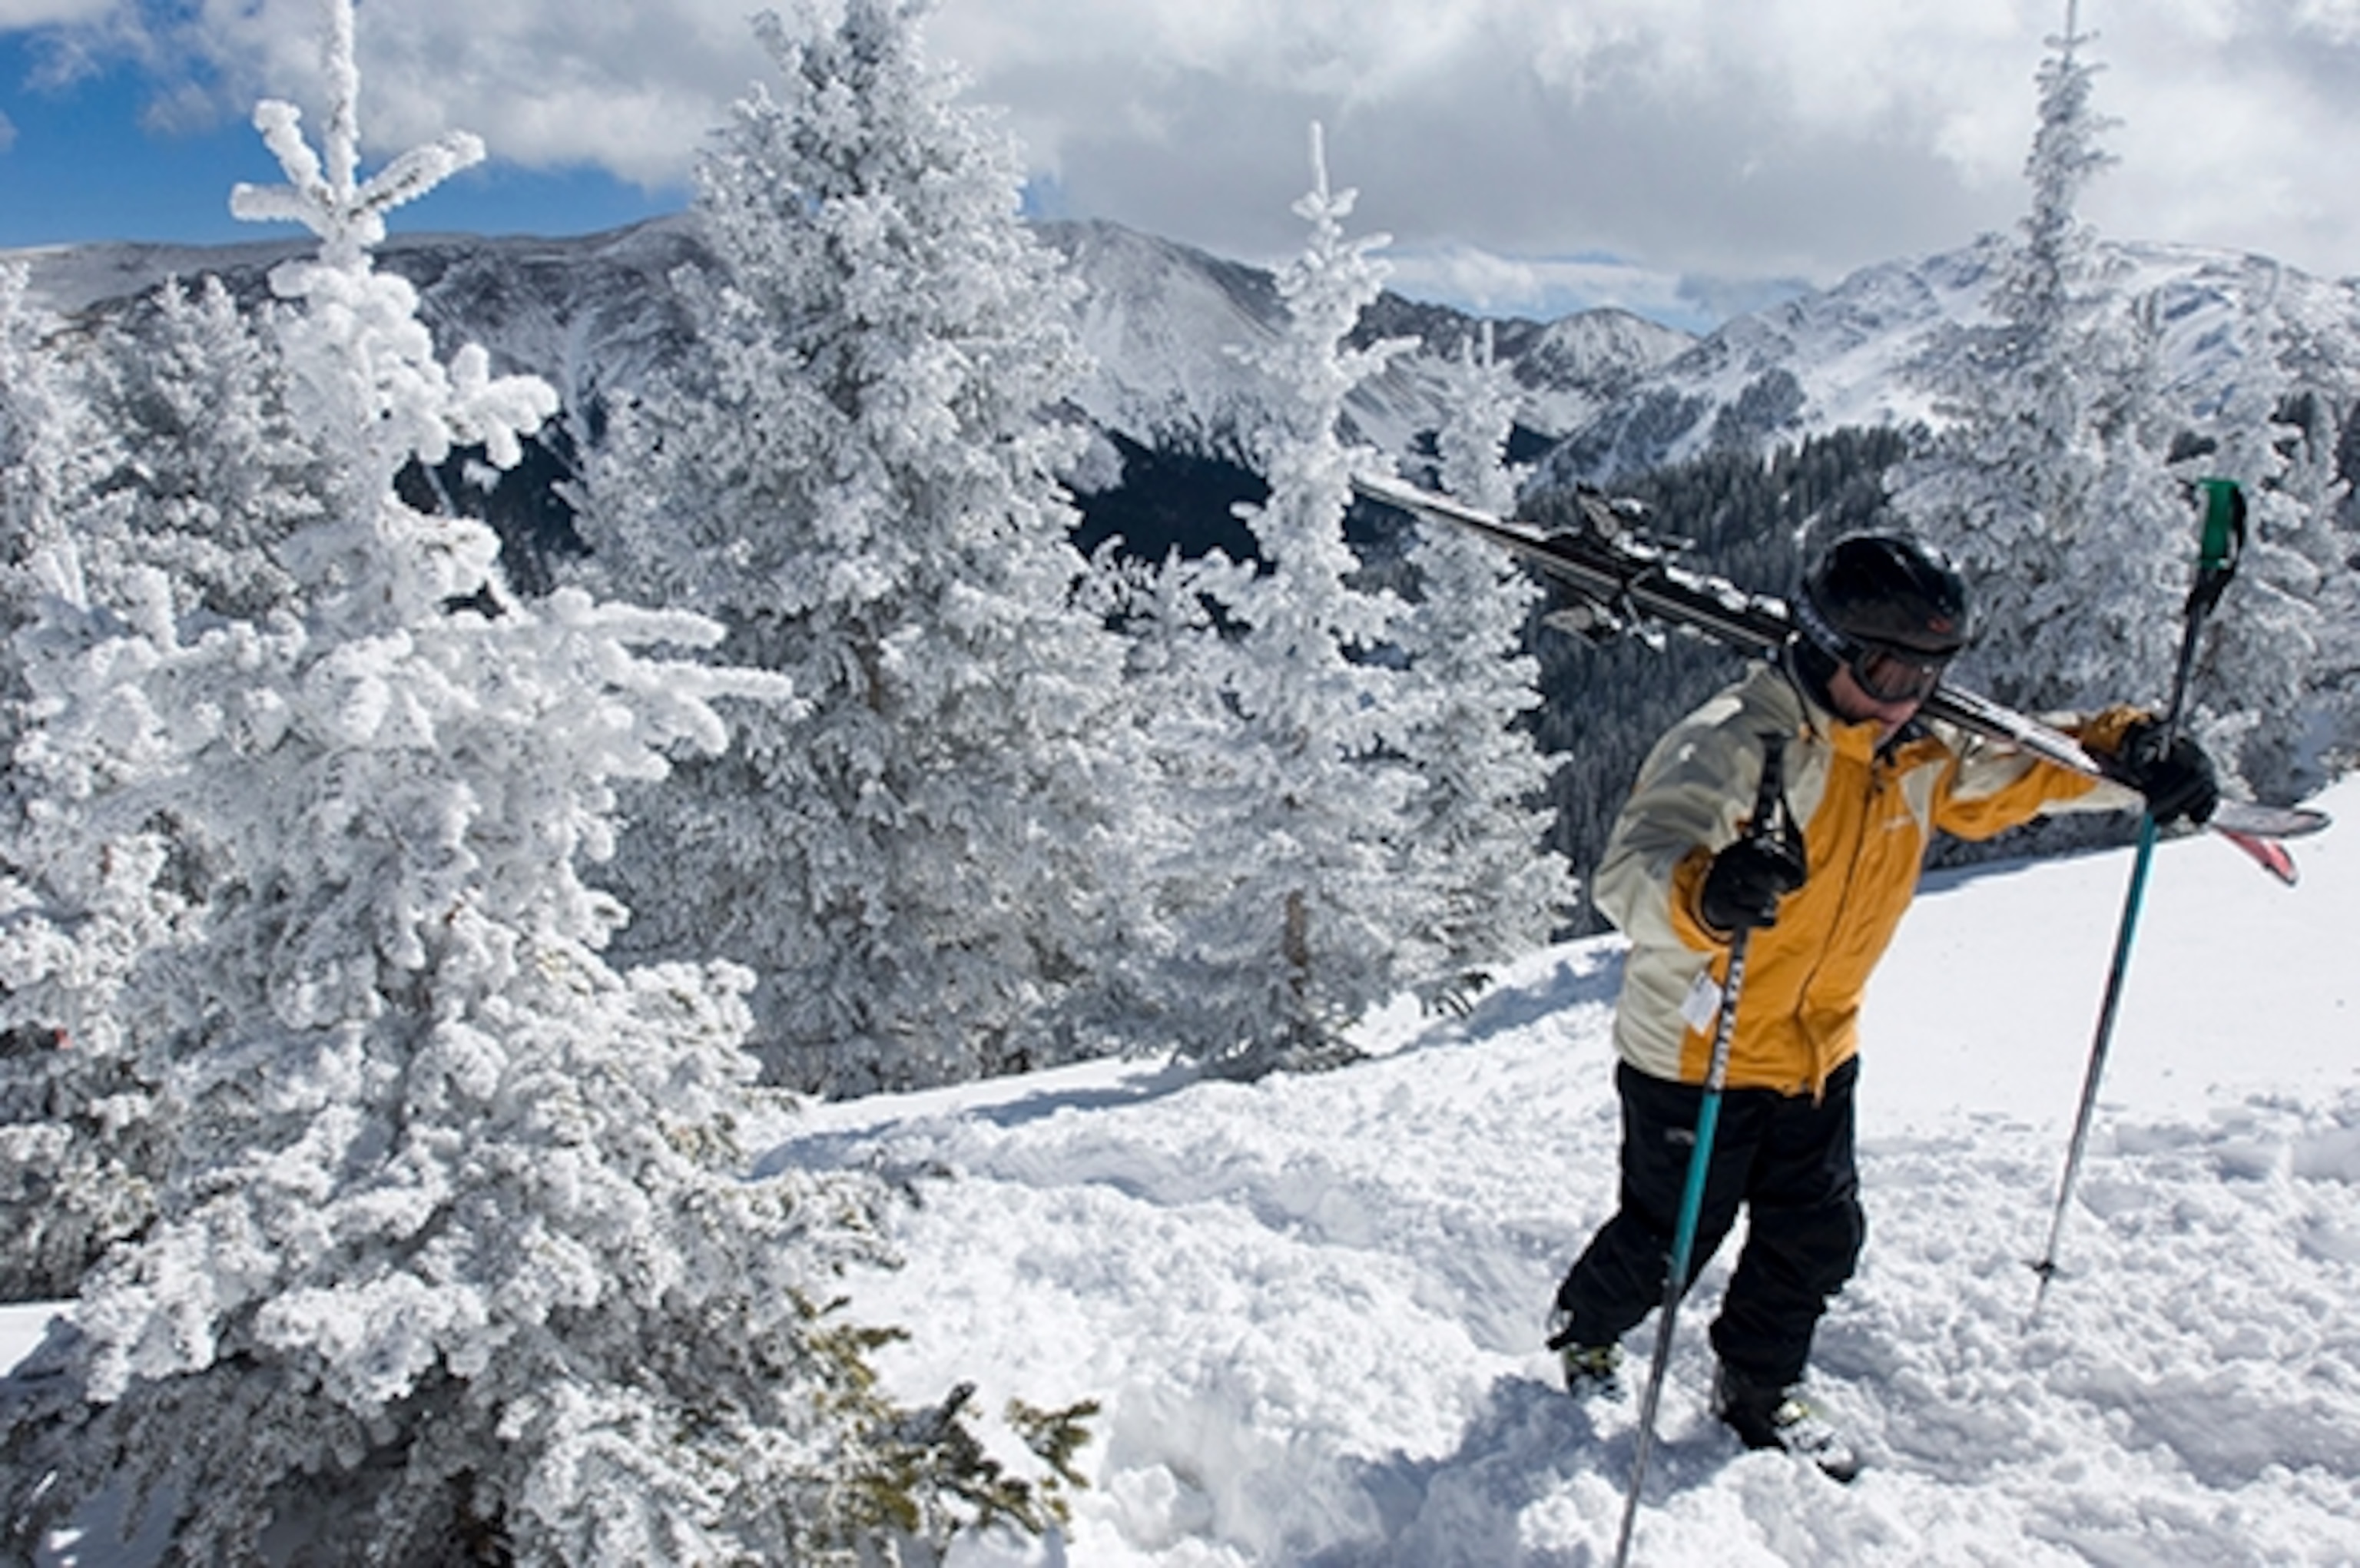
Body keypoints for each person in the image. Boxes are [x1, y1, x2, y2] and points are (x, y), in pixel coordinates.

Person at [1546, 531, 2218, 1480]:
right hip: (1702, 1044)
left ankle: (1757, 1387)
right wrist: (1708, 889)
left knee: (1817, 1238)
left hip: (1819, 1047)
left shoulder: (1915, 752)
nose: (1910, 691)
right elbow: (1630, 873)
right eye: (1888, 664)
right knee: (1672, 1236)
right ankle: (1587, 1330)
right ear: (1825, 644)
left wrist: (2126, 753)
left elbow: (2018, 774)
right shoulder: (1739, 740)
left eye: (1932, 668)